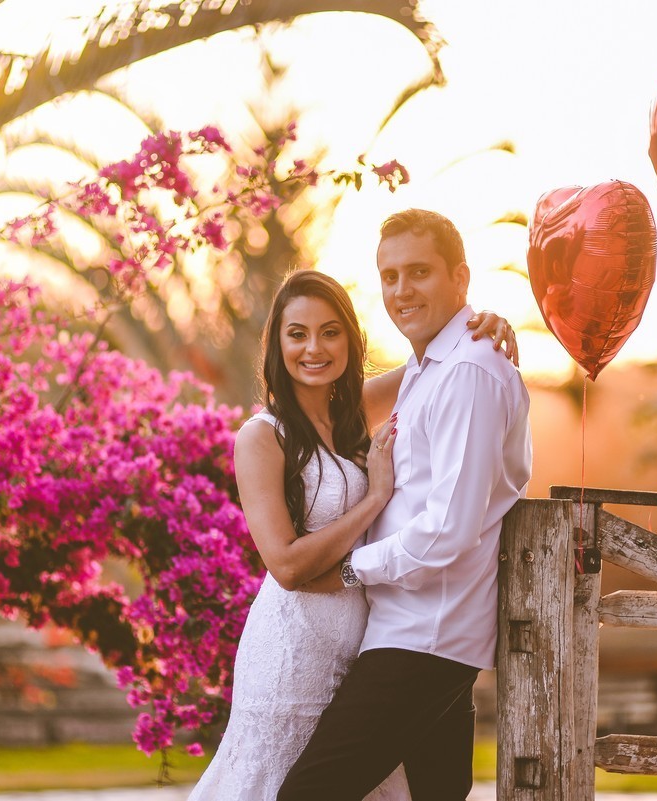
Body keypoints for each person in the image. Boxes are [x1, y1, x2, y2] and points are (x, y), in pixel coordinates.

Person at [187, 269, 518, 801]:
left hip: (363, 641)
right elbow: (288, 566)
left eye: (330, 331)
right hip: (294, 645)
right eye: (297, 334)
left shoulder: (352, 415)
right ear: (276, 344)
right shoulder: (262, 436)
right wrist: (373, 501)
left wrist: (483, 322)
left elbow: (436, 361)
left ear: (351, 339)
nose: (314, 348)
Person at [278, 210, 533, 801]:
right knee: (438, 793)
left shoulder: (471, 371)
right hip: (407, 626)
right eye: (389, 276)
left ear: (461, 278)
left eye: (418, 272)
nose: (400, 290)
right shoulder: (429, 368)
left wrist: (347, 570)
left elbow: (449, 527)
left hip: (426, 634)